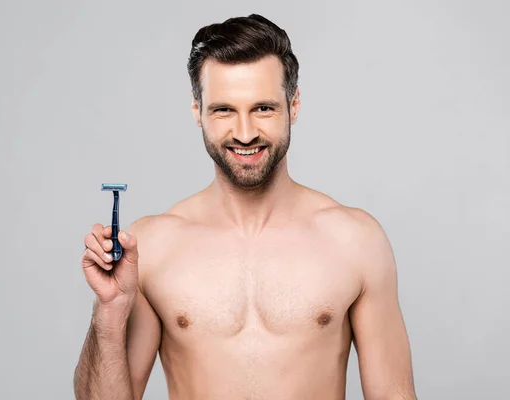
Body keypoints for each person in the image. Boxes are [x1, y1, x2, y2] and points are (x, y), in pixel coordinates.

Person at [73, 13, 417, 400]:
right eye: (224, 110)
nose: (245, 132)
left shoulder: (355, 241)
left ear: (295, 104)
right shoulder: (153, 246)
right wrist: (109, 313)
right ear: (196, 111)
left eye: (263, 109)